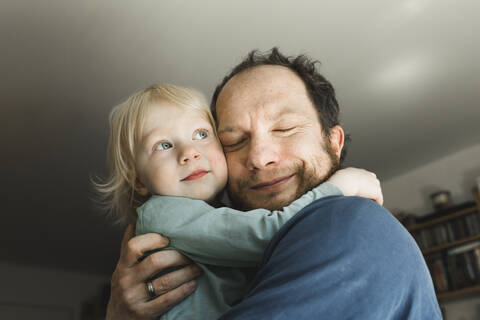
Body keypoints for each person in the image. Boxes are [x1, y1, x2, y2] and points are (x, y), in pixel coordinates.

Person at [106, 48, 441, 319]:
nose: (259, 157)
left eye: (284, 129)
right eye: (234, 141)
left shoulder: (351, 223)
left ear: (334, 143)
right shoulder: (235, 248)